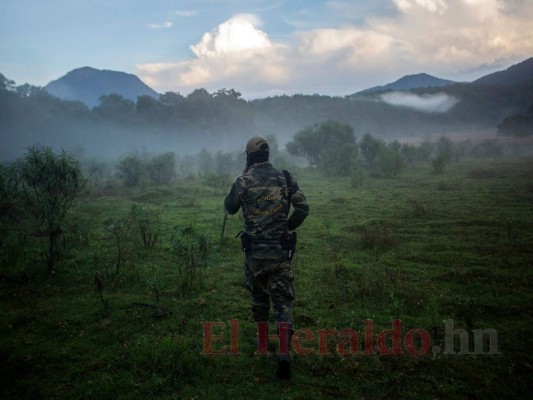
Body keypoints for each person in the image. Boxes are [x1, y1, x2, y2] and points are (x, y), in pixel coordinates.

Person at [224, 135, 309, 380]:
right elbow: (304, 208)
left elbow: (229, 208)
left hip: (256, 255)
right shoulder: (286, 177)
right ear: (268, 155)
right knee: (283, 302)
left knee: (260, 299)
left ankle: (262, 345)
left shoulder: (244, 181)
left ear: (250, 157)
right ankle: (284, 355)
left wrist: (243, 177)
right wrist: (287, 227)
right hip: (280, 252)